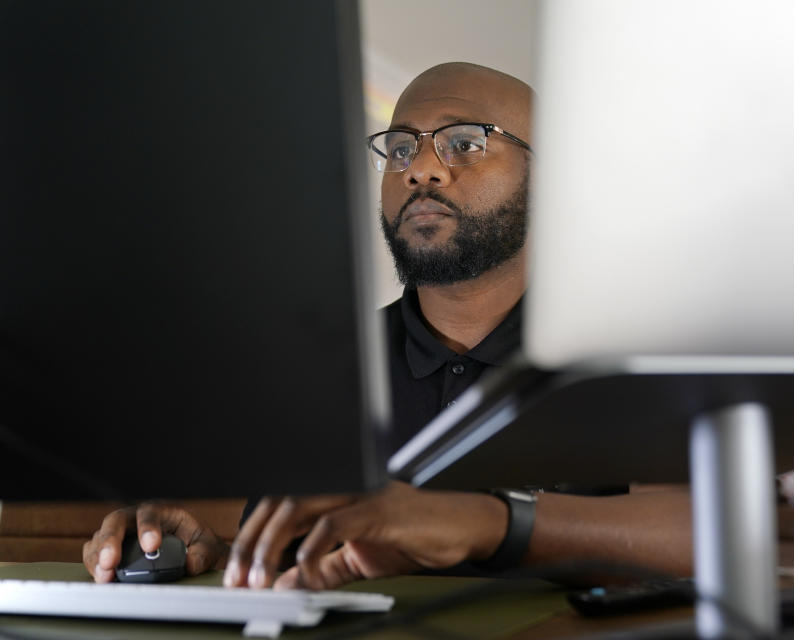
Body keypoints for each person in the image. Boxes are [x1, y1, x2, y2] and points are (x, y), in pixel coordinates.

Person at [83, 62, 693, 590]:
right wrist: (208, 555)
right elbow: (284, 560)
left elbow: (699, 539)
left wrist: (484, 522)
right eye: (401, 149)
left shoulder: (634, 348)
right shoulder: (324, 366)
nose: (420, 170)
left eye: (465, 142)